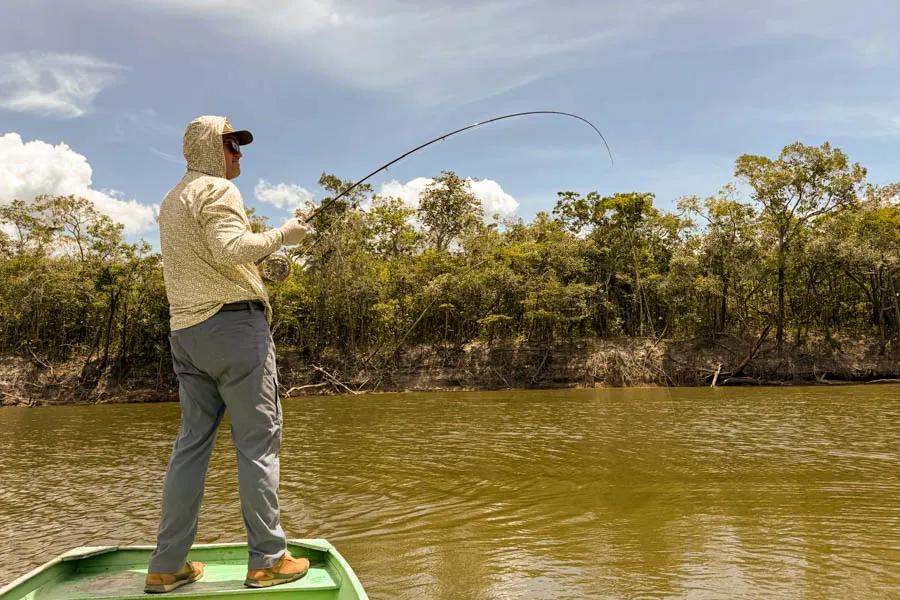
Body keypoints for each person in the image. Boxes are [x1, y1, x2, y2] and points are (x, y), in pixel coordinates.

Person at [144, 115, 314, 593]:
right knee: (258, 444)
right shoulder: (218, 190)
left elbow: (215, 255)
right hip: (234, 329)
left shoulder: (172, 200)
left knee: (191, 445)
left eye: (240, 146)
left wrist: (269, 261)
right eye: (231, 145)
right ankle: (267, 560)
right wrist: (286, 235)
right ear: (207, 148)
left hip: (187, 334)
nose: (239, 154)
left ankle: (166, 565)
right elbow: (227, 249)